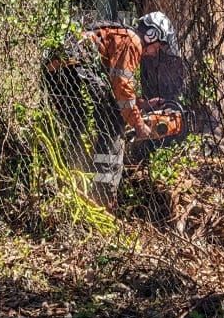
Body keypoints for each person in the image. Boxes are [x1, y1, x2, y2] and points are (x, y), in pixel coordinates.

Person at [43, 11, 177, 206]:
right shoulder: (133, 41)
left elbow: (117, 90)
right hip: (72, 68)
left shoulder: (123, 37)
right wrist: (138, 124)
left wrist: (143, 104)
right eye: (160, 45)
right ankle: (102, 193)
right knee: (112, 120)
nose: (157, 51)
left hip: (60, 69)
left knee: (80, 123)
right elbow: (122, 87)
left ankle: (74, 179)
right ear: (152, 35)